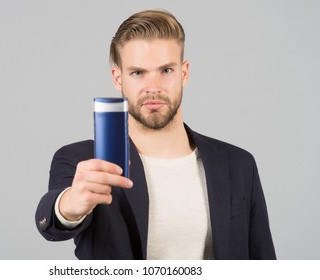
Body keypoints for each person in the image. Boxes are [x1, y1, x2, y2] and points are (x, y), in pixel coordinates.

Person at [35, 9, 276, 260]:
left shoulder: (238, 164)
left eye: (166, 71)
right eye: (138, 73)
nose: (153, 88)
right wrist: (70, 205)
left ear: (184, 73)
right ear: (118, 79)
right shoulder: (83, 160)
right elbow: (52, 219)